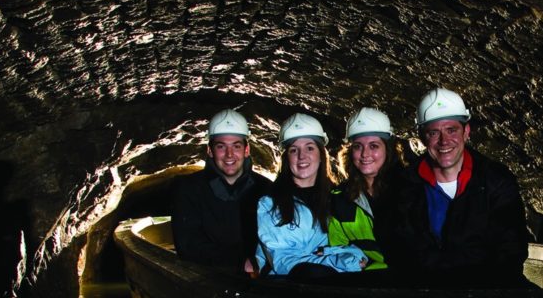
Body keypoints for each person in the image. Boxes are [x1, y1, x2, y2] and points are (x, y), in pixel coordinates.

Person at [390, 88, 529, 287]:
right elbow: (403, 251)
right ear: (422, 137)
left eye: (451, 130)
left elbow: (510, 250)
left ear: (466, 132)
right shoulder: (405, 185)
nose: (444, 141)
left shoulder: (495, 180)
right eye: (434, 132)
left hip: (487, 292)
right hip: (429, 294)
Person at [255, 113, 367, 279]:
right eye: (294, 150)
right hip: (287, 289)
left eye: (309, 148)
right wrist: (343, 261)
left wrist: (347, 256)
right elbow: (285, 262)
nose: (302, 156)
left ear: (321, 155)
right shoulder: (270, 203)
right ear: (287, 159)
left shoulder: (339, 198)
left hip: (335, 287)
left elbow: (360, 249)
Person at [172, 108, 272, 270]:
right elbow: (188, 245)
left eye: (236, 146)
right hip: (205, 280)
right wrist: (240, 263)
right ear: (210, 151)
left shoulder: (266, 189)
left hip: (258, 281)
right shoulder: (189, 189)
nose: (229, 154)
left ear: (247, 150)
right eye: (221, 147)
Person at [327, 108, 403, 272]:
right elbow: (338, 245)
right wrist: (353, 260)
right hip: (369, 276)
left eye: (374, 146)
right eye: (358, 146)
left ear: (387, 149)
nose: (365, 154)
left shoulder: (409, 188)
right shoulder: (340, 198)